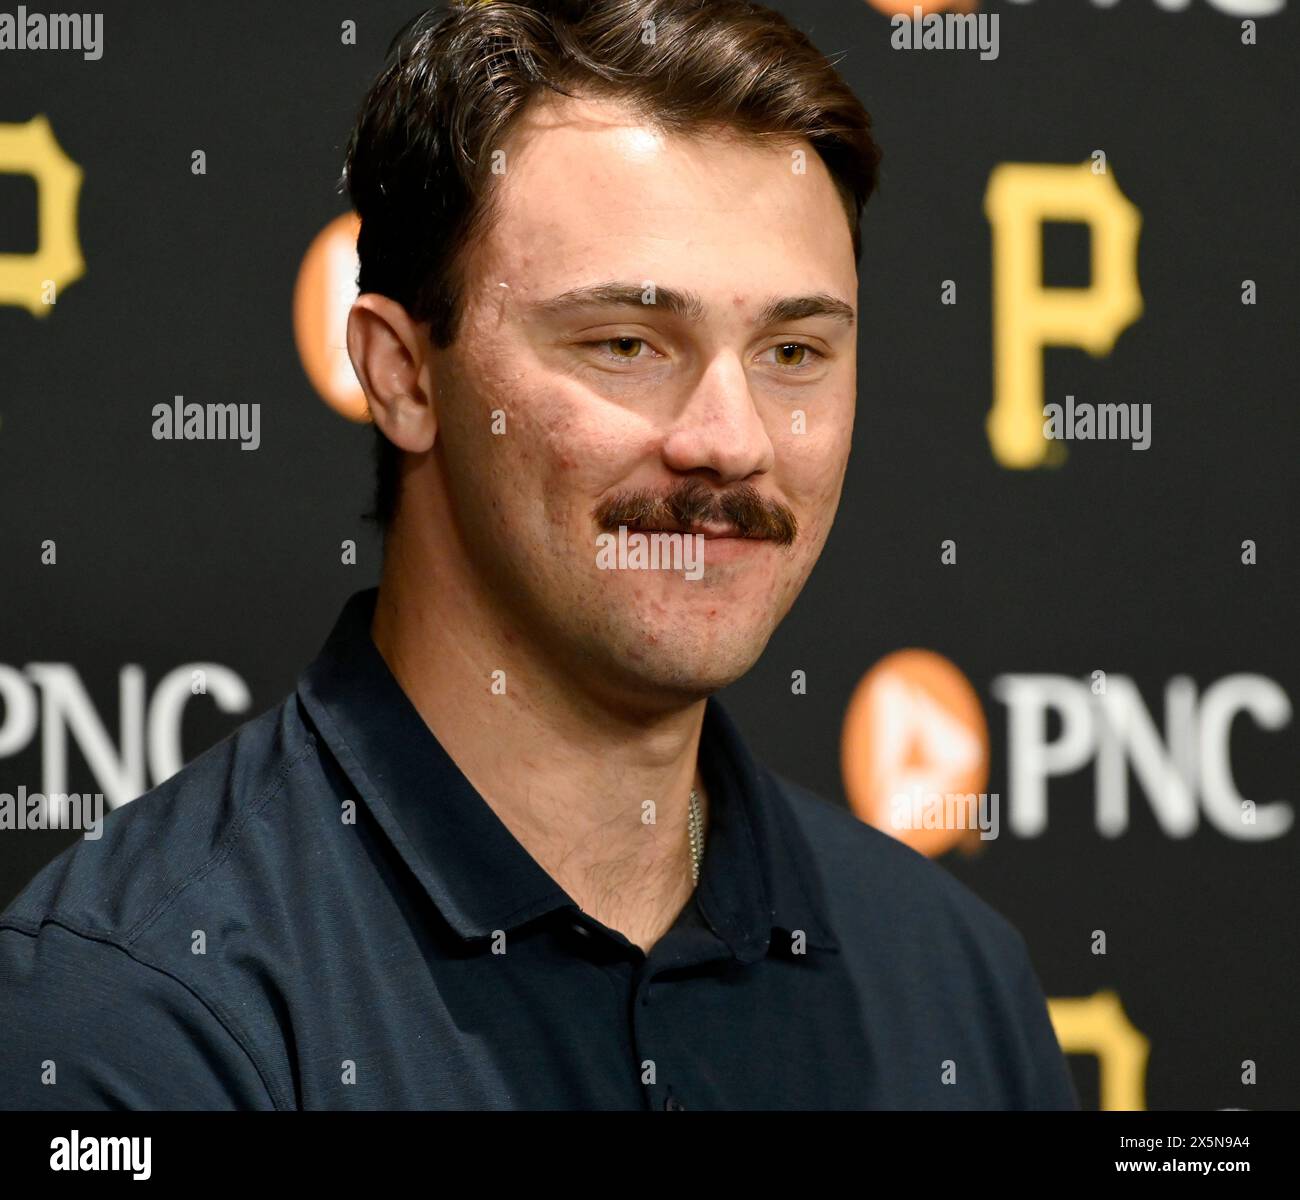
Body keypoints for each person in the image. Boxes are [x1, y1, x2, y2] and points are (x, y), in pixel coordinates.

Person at [0, 0, 1078, 1110]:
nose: (732, 441)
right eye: (625, 343)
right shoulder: (136, 1016)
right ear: (403, 374)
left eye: (793, 351)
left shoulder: (955, 987)